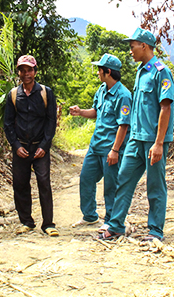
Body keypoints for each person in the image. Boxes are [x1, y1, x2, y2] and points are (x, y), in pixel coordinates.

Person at [98, 28, 174, 243]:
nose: (130, 51)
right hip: (135, 139)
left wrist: (159, 143)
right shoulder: (141, 72)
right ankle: (115, 226)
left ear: (144, 46)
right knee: (123, 179)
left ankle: (155, 231)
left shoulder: (161, 72)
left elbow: (165, 108)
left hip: (153, 140)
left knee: (155, 185)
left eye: (132, 46)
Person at [69, 54, 131, 232]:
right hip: (95, 146)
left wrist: (115, 150)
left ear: (108, 71)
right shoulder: (102, 90)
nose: (97, 72)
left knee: (111, 186)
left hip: (110, 150)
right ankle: (89, 216)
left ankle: (111, 220)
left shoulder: (123, 95)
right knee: (86, 179)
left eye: (99, 69)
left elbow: (124, 125)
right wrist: (80, 112)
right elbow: (96, 112)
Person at [4, 55, 59, 236]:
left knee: (44, 182)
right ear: (19, 72)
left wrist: (44, 145)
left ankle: (48, 224)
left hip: (40, 147)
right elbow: (8, 123)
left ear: (35, 72)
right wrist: (15, 145)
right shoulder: (13, 94)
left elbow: (51, 122)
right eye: (22, 70)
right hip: (21, 148)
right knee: (20, 184)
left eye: (29, 70)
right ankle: (26, 221)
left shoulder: (46, 93)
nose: (26, 73)